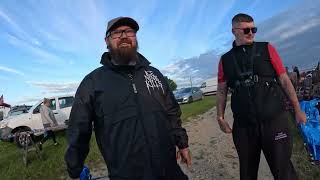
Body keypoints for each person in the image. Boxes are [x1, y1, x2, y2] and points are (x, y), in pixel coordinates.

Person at [65, 17, 191, 180]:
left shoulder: (154, 74)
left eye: (129, 31)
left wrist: (182, 144)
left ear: (135, 38)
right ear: (107, 40)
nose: (124, 35)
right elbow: (78, 129)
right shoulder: (93, 82)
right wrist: (74, 168)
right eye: (117, 32)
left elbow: (172, 112)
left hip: (168, 169)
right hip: (127, 174)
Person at [216, 13, 306, 180]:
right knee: (247, 173)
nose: (251, 33)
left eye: (254, 29)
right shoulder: (225, 60)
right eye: (246, 30)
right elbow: (221, 90)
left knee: (283, 171)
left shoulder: (267, 48)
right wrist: (220, 117)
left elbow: (285, 80)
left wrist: (298, 109)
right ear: (234, 31)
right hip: (244, 127)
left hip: (274, 121)